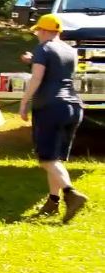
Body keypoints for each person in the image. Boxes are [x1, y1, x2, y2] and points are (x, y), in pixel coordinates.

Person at [19, 14, 88, 223]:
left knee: (47, 159)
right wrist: (35, 59)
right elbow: (58, 71)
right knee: (56, 160)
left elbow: (37, 77)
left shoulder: (44, 48)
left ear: (46, 31)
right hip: (73, 107)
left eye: (39, 30)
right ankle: (52, 201)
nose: (38, 34)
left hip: (51, 107)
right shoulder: (70, 50)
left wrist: (24, 102)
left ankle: (71, 193)